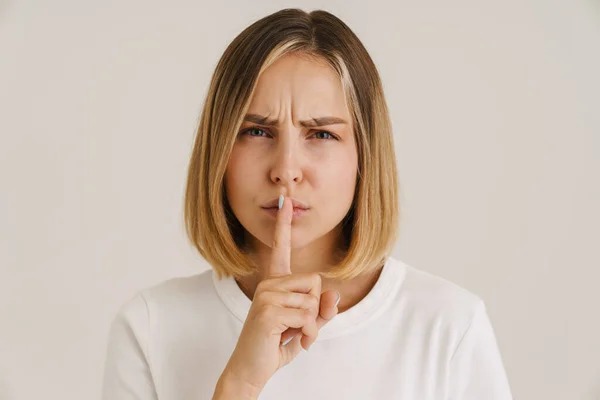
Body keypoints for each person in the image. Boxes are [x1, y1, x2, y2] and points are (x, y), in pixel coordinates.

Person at [101, 8, 513, 400]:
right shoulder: (149, 327)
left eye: (320, 134)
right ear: (218, 150)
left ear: (364, 157)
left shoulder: (449, 326)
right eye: (257, 131)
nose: (286, 170)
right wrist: (240, 383)